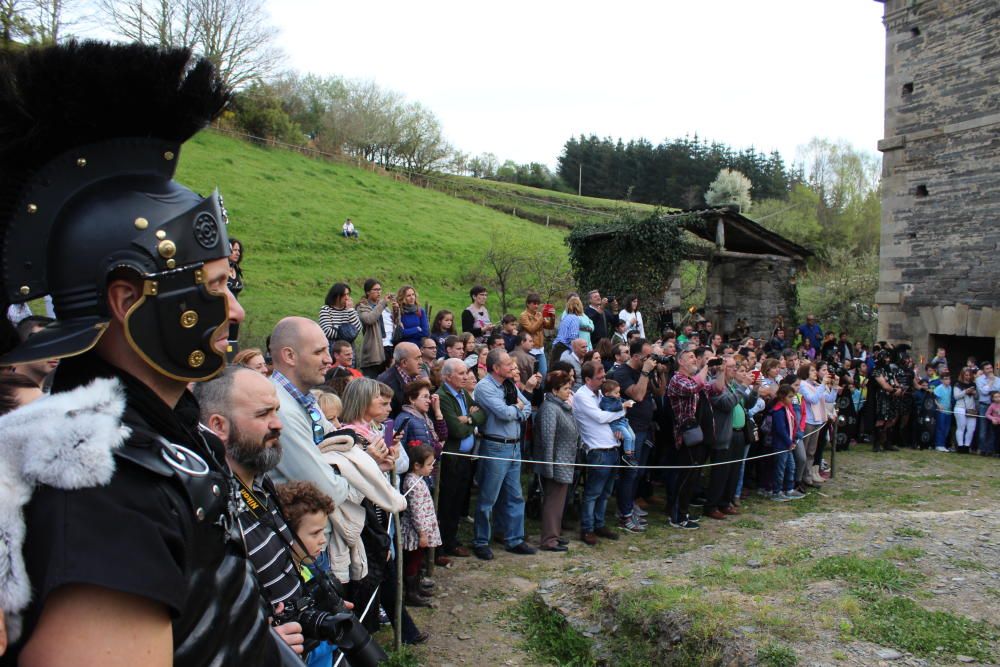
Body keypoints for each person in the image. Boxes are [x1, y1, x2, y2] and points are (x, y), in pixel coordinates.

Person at [0, 42, 295, 665]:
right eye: (214, 287)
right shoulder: (102, 486)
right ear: (127, 299)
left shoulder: (156, 437)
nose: (236, 312)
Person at [268, 317, 351, 513]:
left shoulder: (304, 399)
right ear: (290, 356)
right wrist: (357, 475)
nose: (329, 359)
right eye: (318, 352)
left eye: (327, 350)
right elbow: (327, 491)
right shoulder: (280, 410)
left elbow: (339, 439)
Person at [471, 349, 536, 559]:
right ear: (496, 368)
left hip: (515, 446)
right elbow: (505, 413)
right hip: (496, 446)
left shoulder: (509, 385)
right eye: (508, 364)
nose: (512, 367)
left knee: (515, 495)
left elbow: (526, 407)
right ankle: (481, 541)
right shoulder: (485, 388)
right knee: (488, 496)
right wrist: (516, 410)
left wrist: (516, 409)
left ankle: (514, 538)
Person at [608, 338, 666, 532]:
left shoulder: (646, 371)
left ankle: (629, 505)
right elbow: (638, 395)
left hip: (645, 427)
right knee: (629, 473)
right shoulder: (622, 373)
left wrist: (660, 374)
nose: (650, 359)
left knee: (639, 473)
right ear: (635, 356)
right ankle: (624, 513)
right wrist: (645, 372)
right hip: (631, 430)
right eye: (646, 356)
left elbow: (659, 392)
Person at [667, 348, 726, 529]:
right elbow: (694, 387)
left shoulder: (696, 379)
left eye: (695, 357)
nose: (694, 360)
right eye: (690, 357)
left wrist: (721, 371)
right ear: (681, 362)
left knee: (693, 477)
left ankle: (683, 511)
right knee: (685, 477)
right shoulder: (677, 380)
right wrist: (707, 366)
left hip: (702, 437)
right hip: (687, 437)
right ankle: (677, 516)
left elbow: (716, 388)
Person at [435, 359, 486, 558]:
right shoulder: (443, 396)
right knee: (446, 502)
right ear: (448, 376)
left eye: (466, 372)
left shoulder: (463, 393)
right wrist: (468, 425)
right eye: (461, 373)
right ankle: (440, 546)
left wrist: (470, 419)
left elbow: (482, 413)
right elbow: (454, 430)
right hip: (451, 459)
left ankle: (451, 539)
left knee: (457, 502)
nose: (466, 377)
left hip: (466, 457)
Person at [573, 360, 626, 545]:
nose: (604, 378)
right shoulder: (582, 396)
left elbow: (608, 417)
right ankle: (587, 528)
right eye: (599, 376)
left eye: (604, 375)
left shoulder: (600, 393)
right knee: (593, 493)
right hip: (597, 450)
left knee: (605, 492)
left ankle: (599, 523)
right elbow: (600, 417)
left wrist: (618, 420)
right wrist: (622, 410)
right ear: (588, 379)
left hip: (612, 447)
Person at [533, 370, 578, 552]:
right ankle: (549, 539)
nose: (569, 392)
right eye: (566, 388)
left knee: (559, 502)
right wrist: (549, 467)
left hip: (565, 462)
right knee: (553, 501)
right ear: (554, 390)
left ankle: (555, 534)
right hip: (556, 464)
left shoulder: (560, 406)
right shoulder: (550, 409)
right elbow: (547, 440)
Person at [400, 444, 442, 608]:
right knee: (413, 561)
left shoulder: (419, 479)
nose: (432, 468)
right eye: (429, 464)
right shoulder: (413, 483)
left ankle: (416, 587)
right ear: (417, 465)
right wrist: (423, 534)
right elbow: (417, 512)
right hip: (416, 532)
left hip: (421, 529)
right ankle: (411, 593)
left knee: (418, 560)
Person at [356, 279, 395, 378]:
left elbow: (392, 325)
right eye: (375, 290)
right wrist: (382, 304)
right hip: (374, 351)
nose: (379, 292)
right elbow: (370, 319)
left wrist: (396, 311)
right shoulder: (362, 307)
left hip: (389, 348)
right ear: (368, 292)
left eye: (380, 289)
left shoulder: (385, 308)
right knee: (373, 384)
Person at [377, 342, 422, 418]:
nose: (421, 362)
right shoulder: (386, 383)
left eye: (421, 357)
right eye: (417, 358)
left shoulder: (415, 377)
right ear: (404, 362)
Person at [319, 283, 362, 351]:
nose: (347, 297)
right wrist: (348, 332)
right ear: (336, 296)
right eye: (343, 295)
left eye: (348, 294)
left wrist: (350, 310)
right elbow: (327, 332)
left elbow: (357, 329)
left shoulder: (350, 310)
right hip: (333, 349)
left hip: (349, 349)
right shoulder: (326, 309)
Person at [518, 293, 547, 379]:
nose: (536, 305)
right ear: (528, 303)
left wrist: (552, 317)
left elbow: (549, 326)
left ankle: (541, 392)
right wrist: (542, 318)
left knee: (543, 373)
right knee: (530, 374)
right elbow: (531, 329)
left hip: (540, 349)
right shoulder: (523, 315)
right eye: (534, 303)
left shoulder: (539, 314)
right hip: (529, 349)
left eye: (538, 303)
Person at [974, 361, 1000, 455]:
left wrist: (990, 386)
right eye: (987, 368)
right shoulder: (979, 380)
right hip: (984, 406)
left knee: (993, 429)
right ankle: (982, 449)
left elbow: (997, 392)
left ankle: (990, 449)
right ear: (983, 370)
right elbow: (983, 392)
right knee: (983, 429)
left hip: (995, 406)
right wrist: (991, 382)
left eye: (990, 368)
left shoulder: (998, 379)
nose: (990, 370)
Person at [551, 295, 583, 366]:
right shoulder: (574, 319)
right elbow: (573, 338)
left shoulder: (566, 317)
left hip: (557, 347)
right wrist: (576, 355)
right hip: (563, 349)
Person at [953, 367, 978, 453]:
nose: (968, 377)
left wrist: (975, 393)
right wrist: (965, 391)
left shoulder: (973, 384)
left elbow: (977, 397)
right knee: (961, 427)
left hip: (971, 408)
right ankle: (960, 446)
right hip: (960, 407)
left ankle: (967, 446)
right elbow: (956, 396)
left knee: (971, 428)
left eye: (969, 375)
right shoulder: (958, 384)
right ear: (962, 375)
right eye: (966, 375)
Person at [227, 237, 245, 346]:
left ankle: (231, 361)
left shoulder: (236, 270)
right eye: (234, 250)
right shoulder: (221, 269)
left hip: (234, 313)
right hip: (222, 313)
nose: (237, 253)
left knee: (232, 343)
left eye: (238, 250)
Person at [933, 371, 953, 452]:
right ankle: (939, 444)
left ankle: (943, 444)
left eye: (948, 379)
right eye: (945, 379)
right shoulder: (939, 388)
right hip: (941, 411)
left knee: (946, 429)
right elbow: (933, 398)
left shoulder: (950, 387)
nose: (947, 381)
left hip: (948, 411)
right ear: (941, 380)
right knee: (940, 428)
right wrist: (938, 405)